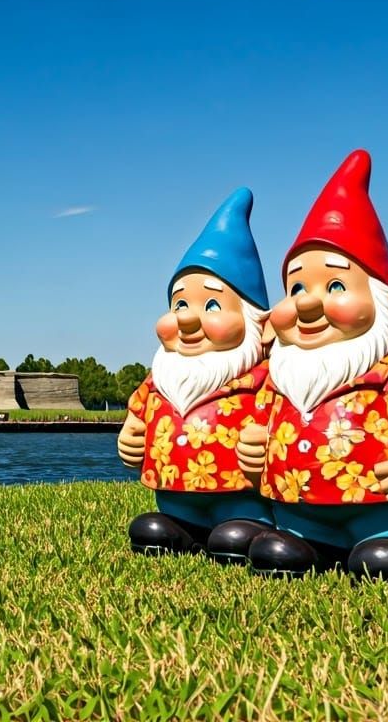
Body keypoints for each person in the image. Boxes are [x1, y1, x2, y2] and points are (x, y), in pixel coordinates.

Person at [239, 150, 388, 585]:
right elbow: (259, 420)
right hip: (297, 511)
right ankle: (305, 540)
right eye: (296, 286)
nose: (307, 301)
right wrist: (255, 442)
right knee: (276, 551)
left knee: (385, 558)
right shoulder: (280, 376)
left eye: (335, 285)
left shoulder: (387, 372)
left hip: (381, 509)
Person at [118, 188, 274, 563]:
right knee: (152, 530)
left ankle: (248, 523)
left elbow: (284, 418)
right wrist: (130, 434)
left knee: (234, 536)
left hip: (241, 498)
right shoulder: (161, 380)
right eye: (180, 303)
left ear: (258, 323)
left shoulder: (264, 379)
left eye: (213, 304)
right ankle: (179, 526)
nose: (186, 318)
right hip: (173, 497)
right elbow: (139, 411)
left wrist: (264, 441)